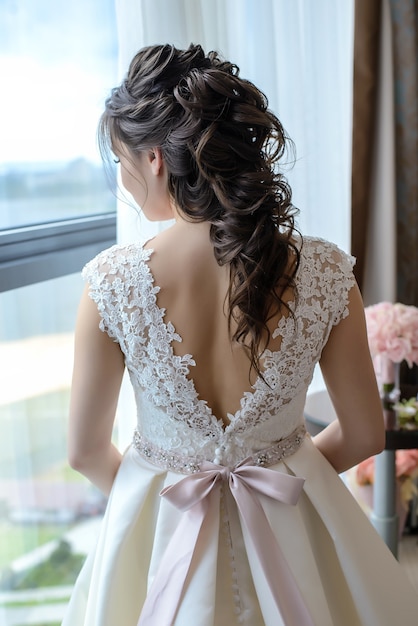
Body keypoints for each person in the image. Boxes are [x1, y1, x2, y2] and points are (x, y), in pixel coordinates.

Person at [62, 44, 417, 626]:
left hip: (165, 532)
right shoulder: (327, 272)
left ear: (154, 159)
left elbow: (84, 451)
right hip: (294, 521)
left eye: (122, 163)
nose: (125, 181)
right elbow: (364, 433)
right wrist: (287, 474)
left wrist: (156, 494)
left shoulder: (110, 282)